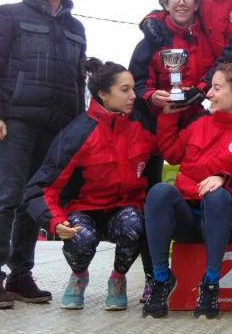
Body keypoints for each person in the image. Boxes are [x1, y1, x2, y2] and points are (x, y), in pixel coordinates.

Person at [0, 0, 86, 309]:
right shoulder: (8, 15)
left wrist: (78, 128)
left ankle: (21, 274)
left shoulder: (75, 28)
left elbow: (78, 78)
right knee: (7, 197)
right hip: (16, 122)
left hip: (58, 127)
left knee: (32, 201)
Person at [23, 59, 154, 311]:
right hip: (83, 210)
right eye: (124, 90)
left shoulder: (140, 125)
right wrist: (54, 220)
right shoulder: (77, 133)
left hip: (123, 209)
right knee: (80, 237)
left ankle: (118, 280)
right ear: (103, 95)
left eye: (133, 89)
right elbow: (40, 188)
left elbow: (171, 146)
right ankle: (78, 276)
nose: (133, 96)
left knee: (134, 224)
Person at [142, 63, 232, 320]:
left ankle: (211, 284)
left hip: (224, 222)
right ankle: (161, 278)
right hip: (188, 217)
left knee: (216, 195)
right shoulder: (200, 123)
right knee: (159, 192)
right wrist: (168, 115)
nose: (208, 93)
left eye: (216, 88)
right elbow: (172, 153)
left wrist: (225, 179)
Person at [128, 0, 216, 300]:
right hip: (152, 126)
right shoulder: (152, 37)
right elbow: (136, 81)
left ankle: (208, 259)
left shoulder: (205, 37)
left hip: (193, 124)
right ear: (165, 2)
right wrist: (152, 96)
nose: (181, 2)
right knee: (150, 197)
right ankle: (155, 275)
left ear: (196, 3)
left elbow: (215, 71)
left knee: (206, 186)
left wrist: (200, 92)